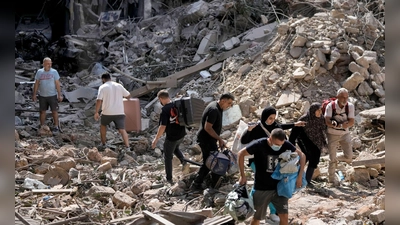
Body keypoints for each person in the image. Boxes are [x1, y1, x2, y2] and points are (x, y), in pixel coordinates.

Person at [240, 106, 305, 222]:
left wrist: (295, 124)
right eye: (270, 118)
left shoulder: (278, 133)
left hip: (278, 185)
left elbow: (282, 128)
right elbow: (243, 144)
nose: (272, 121)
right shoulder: (257, 131)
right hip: (260, 172)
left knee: (284, 216)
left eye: (274, 118)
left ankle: (273, 212)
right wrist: (242, 175)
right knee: (257, 216)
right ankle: (253, 201)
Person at [189, 93, 235, 191]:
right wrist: (219, 139)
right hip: (206, 139)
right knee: (211, 161)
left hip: (209, 139)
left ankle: (203, 183)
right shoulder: (214, 109)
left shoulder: (218, 107)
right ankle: (199, 184)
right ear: (223, 101)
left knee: (209, 161)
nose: (229, 106)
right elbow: (208, 128)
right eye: (229, 103)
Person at [151, 90, 187, 184]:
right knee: (175, 149)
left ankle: (169, 179)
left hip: (172, 137)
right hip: (182, 134)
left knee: (167, 157)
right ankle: (184, 162)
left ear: (161, 99)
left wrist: (156, 139)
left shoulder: (165, 110)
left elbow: (162, 126)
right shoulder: (177, 104)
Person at [289, 103, 327, 187]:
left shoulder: (321, 118)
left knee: (314, 161)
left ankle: (307, 181)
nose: (320, 112)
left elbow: (323, 129)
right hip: (305, 141)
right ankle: (295, 177)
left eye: (321, 110)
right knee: (305, 158)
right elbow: (295, 131)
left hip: (317, 143)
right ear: (313, 110)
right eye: (318, 110)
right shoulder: (305, 118)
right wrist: (291, 143)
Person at [94, 73, 132, 154]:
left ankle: (104, 143)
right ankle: (128, 147)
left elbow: (99, 100)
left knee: (103, 126)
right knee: (122, 129)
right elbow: (128, 96)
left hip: (107, 112)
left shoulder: (103, 87)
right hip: (119, 112)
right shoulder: (119, 86)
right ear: (110, 78)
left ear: (103, 79)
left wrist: (96, 112)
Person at [324, 88, 355, 186]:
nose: (345, 99)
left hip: (345, 134)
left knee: (349, 157)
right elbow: (326, 120)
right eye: (342, 97)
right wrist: (332, 124)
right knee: (332, 160)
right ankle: (331, 180)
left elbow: (351, 121)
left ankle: (333, 157)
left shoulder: (350, 106)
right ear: (337, 97)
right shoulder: (330, 106)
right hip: (332, 134)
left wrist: (344, 125)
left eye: (346, 97)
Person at [32, 57, 63, 132]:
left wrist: (59, 95)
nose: (49, 65)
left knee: (54, 111)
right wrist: (34, 94)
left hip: (52, 95)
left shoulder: (54, 72)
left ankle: (56, 126)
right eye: (48, 63)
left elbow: (57, 84)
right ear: (44, 64)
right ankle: (42, 126)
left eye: (50, 63)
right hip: (42, 95)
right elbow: (36, 84)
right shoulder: (39, 72)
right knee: (42, 111)